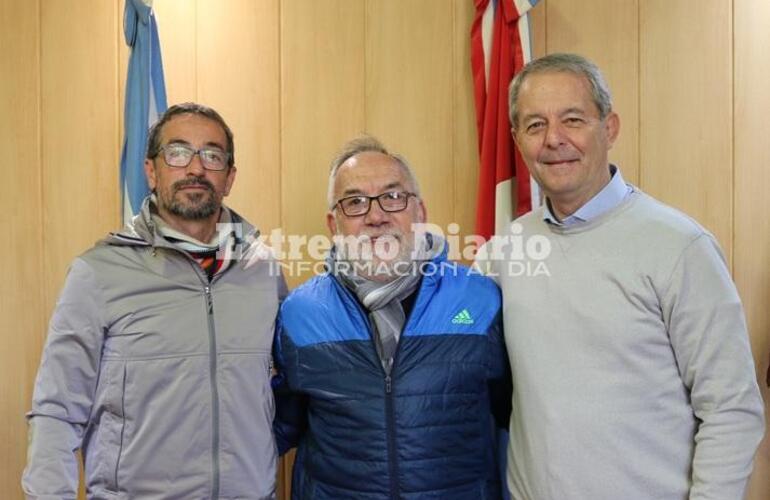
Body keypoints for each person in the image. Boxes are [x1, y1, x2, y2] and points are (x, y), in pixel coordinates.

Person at [484, 52, 765, 499]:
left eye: (573, 120)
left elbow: (731, 407)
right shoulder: (504, 253)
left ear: (609, 128)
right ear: (517, 139)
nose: (554, 139)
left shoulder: (679, 246)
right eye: (535, 125)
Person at [22, 102, 286, 499]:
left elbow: (286, 391)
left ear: (229, 177)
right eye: (178, 152)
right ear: (151, 171)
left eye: (212, 155)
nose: (195, 168)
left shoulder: (264, 270)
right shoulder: (98, 273)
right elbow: (57, 409)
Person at [273, 136, 511, 499]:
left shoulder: (482, 300)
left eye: (393, 197)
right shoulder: (299, 314)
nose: (376, 216)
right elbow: (282, 424)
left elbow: (513, 416)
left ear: (420, 213)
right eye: (354, 203)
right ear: (333, 225)